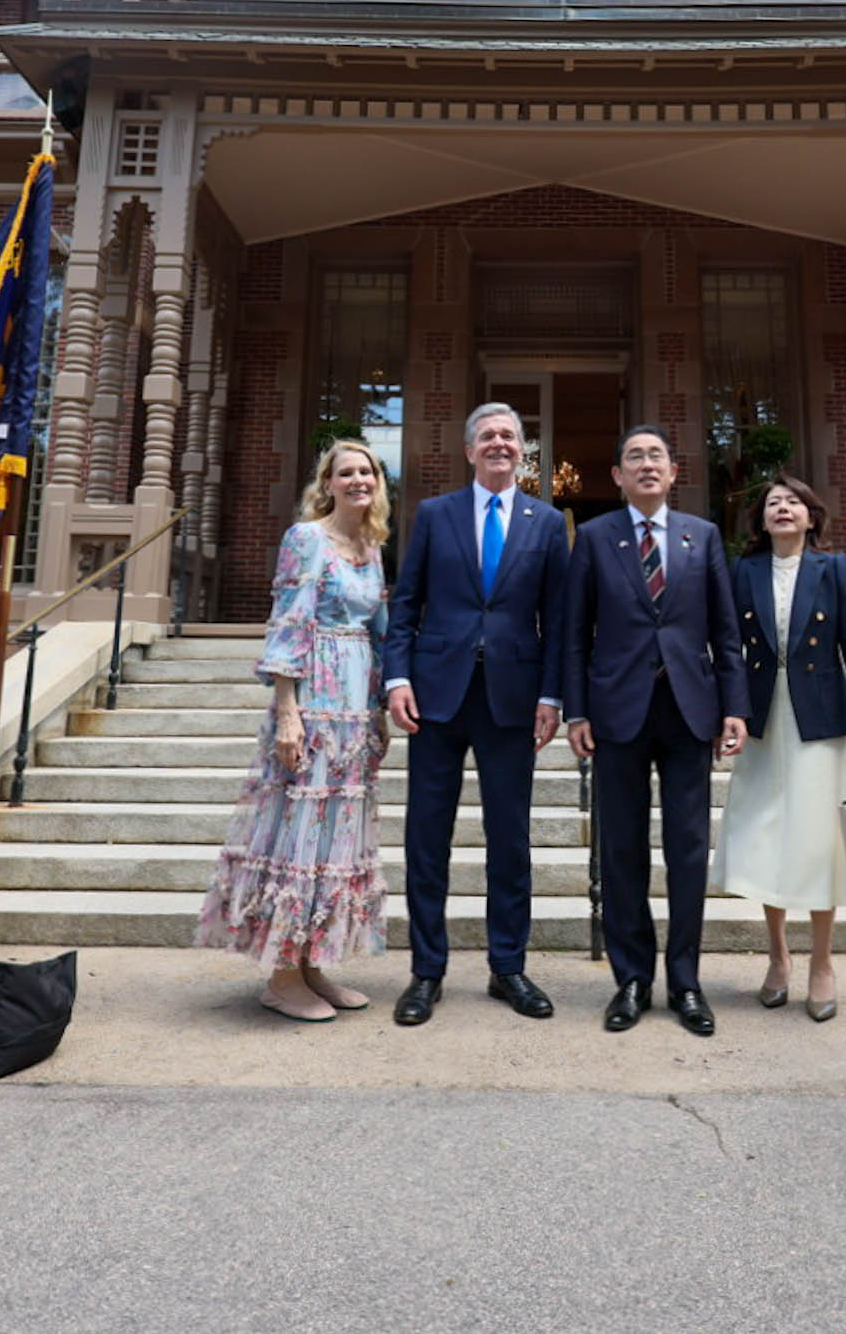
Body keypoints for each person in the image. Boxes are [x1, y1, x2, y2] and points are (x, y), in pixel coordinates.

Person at [383, 402, 569, 1027]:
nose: (499, 444)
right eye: (487, 436)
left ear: (524, 451)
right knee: (426, 838)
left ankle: (507, 966)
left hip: (513, 700)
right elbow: (405, 604)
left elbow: (560, 620)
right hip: (436, 695)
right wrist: (398, 678)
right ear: (469, 451)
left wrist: (552, 696)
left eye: (509, 437)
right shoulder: (435, 515)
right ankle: (426, 971)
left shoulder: (547, 523)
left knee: (509, 840)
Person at [194, 440, 392, 1021]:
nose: (358, 480)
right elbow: (289, 621)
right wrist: (287, 710)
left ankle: (312, 965)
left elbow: (378, 630)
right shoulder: (307, 539)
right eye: (346, 472)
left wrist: (378, 707)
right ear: (326, 483)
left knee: (337, 838)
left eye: (367, 471)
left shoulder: (372, 545)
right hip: (314, 697)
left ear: (378, 482)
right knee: (299, 832)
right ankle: (281, 975)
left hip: (355, 706)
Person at [563, 425, 748, 1037]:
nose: (646, 465)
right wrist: (577, 711)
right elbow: (573, 633)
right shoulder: (592, 538)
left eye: (657, 457)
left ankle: (686, 980)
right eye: (634, 457)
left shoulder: (704, 536)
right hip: (616, 711)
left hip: (690, 709)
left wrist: (734, 707)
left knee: (688, 850)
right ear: (616, 476)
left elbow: (725, 632)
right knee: (620, 850)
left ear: (674, 472)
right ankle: (632, 979)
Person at [714, 473, 846, 1022]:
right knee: (768, 835)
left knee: (818, 841)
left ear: (812, 517)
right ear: (762, 521)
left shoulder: (831, 569)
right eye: (772, 503)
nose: (782, 509)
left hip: (823, 721)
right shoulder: (744, 571)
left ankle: (822, 963)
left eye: (793, 502)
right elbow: (729, 650)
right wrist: (730, 711)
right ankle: (778, 956)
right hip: (763, 720)